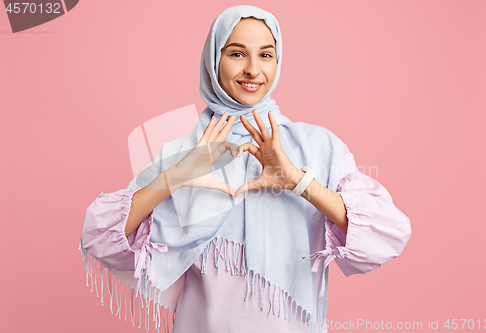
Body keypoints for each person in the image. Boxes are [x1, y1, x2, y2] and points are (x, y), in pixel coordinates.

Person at [79, 5, 411, 333]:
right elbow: (101, 237)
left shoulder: (318, 147)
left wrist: (295, 179)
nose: (253, 70)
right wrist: (177, 176)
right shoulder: (185, 153)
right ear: (213, 60)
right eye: (237, 54)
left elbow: (385, 236)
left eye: (266, 55)